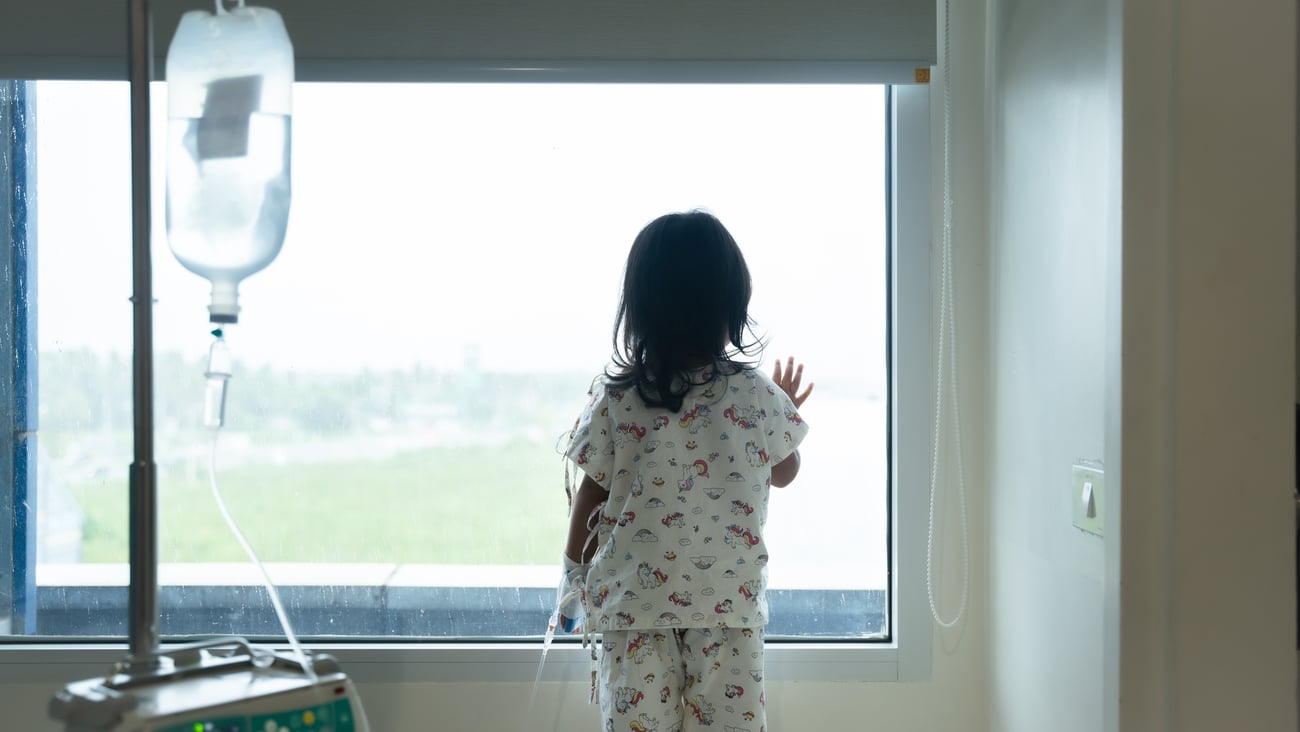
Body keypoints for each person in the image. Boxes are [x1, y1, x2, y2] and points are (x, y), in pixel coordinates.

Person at [559, 210, 812, 732]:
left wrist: (572, 584)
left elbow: (590, 497)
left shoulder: (617, 399)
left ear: (643, 309)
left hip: (634, 610)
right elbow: (784, 472)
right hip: (727, 610)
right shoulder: (757, 394)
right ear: (729, 304)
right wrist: (782, 408)